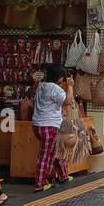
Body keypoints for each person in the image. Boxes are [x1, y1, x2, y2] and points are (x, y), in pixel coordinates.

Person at [32, 63, 73, 191]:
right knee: (46, 155)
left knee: (56, 150)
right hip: (49, 125)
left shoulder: (41, 86)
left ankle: (63, 176)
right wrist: (70, 87)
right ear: (59, 78)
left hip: (38, 124)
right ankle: (40, 183)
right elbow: (68, 102)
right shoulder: (55, 89)